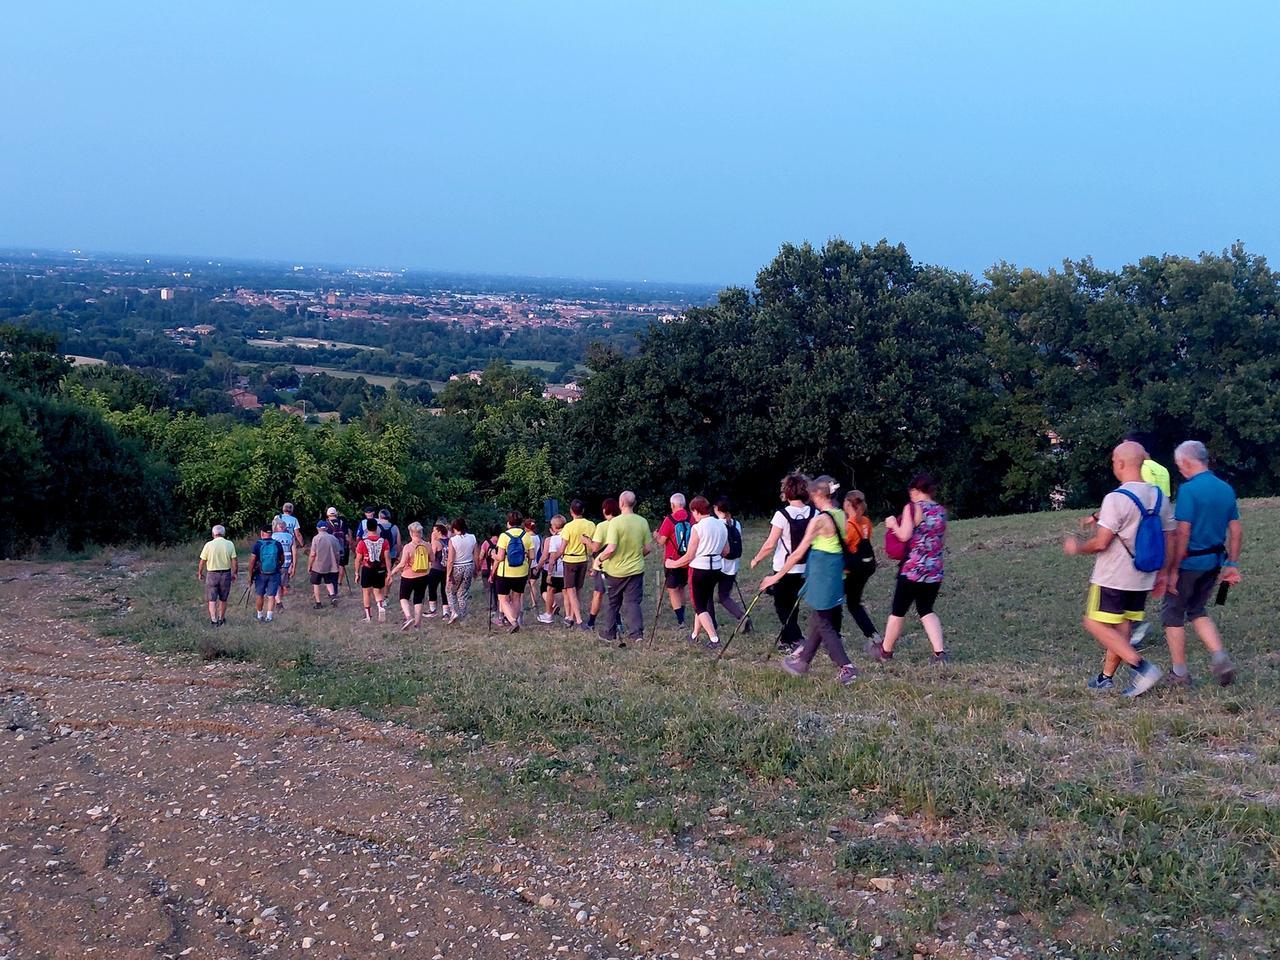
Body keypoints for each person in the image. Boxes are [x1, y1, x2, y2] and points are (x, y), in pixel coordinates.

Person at [1061, 442, 1173, 696]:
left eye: (1113, 460)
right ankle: (1105, 678)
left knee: (1093, 623)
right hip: (1143, 576)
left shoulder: (1116, 498)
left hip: (1113, 576)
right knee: (1122, 626)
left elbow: (1101, 543)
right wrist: (1164, 573)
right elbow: (1169, 537)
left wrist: (1076, 547)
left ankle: (1141, 668)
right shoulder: (1158, 496)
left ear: (1120, 463)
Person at [760, 476, 858, 685]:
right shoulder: (839, 514)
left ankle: (847, 667)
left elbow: (796, 554)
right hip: (834, 572)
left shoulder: (819, 520)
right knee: (818, 619)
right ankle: (803, 662)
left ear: (817, 494)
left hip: (823, 574)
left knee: (823, 623)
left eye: (812, 494)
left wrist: (775, 577)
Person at [1159, 440, 1242, 686]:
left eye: (1178, 464)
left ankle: (1180, 674)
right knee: (1197, 610)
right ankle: (1220, 657)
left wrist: (1173, 569)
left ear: (1186, 462)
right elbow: (1236, 531)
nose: (1179, 469)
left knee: (1172, 614)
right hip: (1214, 561)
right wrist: (1232, 564)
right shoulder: (1225, 488)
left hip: (1190, 563)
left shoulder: (1189, 490)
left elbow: (1182, 532)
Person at [868, 473, 950, 665]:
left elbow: (904, 535)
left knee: (898, 611)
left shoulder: (913, 508)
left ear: (916, 490)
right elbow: (942, 541)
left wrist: (892, 524)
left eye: (911, 492)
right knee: (926, 609)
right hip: (934, 570)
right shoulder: (941, 511)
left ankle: (885, 651)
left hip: (913, 570)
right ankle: (940, 653)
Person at [750, 473, 815, 652]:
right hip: (805, 567)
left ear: (787, 492)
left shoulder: (782, 515)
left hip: (784, 568)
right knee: (793, 603)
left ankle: (797, 639)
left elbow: (770, 544)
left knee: (781, 606)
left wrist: (756, 559)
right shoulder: (814, 512)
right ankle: (786, 641)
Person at [665, 495, 729, 649]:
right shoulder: (721, 525)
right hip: (716, 569)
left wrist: (672, 563)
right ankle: (694, 635)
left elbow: (689, 556)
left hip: (699, 569)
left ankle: (714, 640)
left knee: (699, 606)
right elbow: (726, 551)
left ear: (695, 510)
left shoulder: (698, 527)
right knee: (703, 600)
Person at [596, 491, 652, 646]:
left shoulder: (615, 522)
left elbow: (611, 548)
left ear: (621, 504)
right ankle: (636, 634)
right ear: (634, 504)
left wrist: (599, 559)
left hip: (616, 570)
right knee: (633, 602)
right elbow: (648, 547)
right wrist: (637, 556)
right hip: (636, 569)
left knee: (613, 602)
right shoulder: (642, 522)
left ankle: (610, 632)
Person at [840, 489, 881, 645]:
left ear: (848, 504)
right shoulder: (866, 522)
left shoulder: (848, 526)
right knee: (854, 604)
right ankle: (873, 635)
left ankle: (834, 634)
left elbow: (843, 547)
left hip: (849, 571)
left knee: (835, 601)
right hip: (864, 569)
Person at [655, 493, 692, 628]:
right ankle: (683, 614)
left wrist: (656, 535)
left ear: (672, 505)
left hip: (672, 560)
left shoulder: (669, 519)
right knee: (682, 587)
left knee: (672, 589)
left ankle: (680, 619)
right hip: (688, 559)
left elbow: (661, 541)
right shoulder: (692, 517)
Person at [494, 510, 535, 633]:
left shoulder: (504, 536)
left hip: (505, 572)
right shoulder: (526, 536)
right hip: (521, 571)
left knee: (503, 598)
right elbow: (532, 556)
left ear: (508, 523)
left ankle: (512, 621)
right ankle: (515, 619)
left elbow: (500, 557)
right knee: (516, 597)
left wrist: (493, 555)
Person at [713, 497, 749, 628]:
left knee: (707, 596)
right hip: (733, 566)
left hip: (718, 565)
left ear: (717, 509)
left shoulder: (717, 524)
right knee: (724, 596)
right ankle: (741, 616)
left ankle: (711, 623)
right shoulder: (736, 524)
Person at [559, 500, 596, 629]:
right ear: (583, 511)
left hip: (570, 560)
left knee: (570, 589)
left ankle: (579, 620)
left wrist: (554, 557)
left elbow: (563, 547)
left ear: (571, 511)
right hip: (583, 559)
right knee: (578, 590)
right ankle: (571, 616)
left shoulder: (568, 527)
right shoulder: (590, 525)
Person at [392, 521, 431, 630]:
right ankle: (417, 625)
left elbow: (402, 564)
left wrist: (393, 571)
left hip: (408, 576)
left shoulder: (408, 547)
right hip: (423, 575)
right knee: (418, 599)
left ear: (411, 533)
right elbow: (432, 559)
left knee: (403, 597)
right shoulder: (427, 545)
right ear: (421, 532)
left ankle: (408, 617)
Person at [197, 524, 237, 626]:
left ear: (213, 534)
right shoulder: (229, 544)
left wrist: (200, 572)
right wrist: (235, 572)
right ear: (223, 533)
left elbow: (202, 561)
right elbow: (234, 560)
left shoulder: (208, 545)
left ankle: (214, 620)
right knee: (223, 598)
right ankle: (222, 619)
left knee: (212, 598)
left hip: (212, 574)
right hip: (225, 574)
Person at [587, 499, 617, 631]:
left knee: (599, 592)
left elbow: (595, 547)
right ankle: (618, 620)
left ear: (605, 511)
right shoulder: (621, 523)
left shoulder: (602, 526)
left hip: (603, 563)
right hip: (619, 563)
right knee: (616, 594)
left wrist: (586, 541)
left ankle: (591, 622)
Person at [445, 517, 480, 623]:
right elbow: (476, 556)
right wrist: (476, 569)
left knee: (450, 591)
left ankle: (453, 612)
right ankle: (463, 615)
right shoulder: (472, 537)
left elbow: (450, 559)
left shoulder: (453, 540)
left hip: (457, 567)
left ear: (454, 527)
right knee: (463, 593)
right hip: (469, 566)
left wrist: (448, 574)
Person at [355, 518, 389, 622]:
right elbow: (387, 558)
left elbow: (358, 559)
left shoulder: (362, 543)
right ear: (377, 527)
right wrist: (389, 571)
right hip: (380, 569)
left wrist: (357, 572)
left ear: (367, 528)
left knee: (366, 592)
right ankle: (380, 607)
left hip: (367, 569)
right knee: (378, 591)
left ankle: (368, 616)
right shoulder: (384, 541)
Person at [249, 523, 285, 623]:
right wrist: (278, 566)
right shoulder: (277, 544)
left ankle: (260, 615)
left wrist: (250, 574)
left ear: (262, 533)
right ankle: (269, 617)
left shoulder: (258, 544)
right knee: (271, 596)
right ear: (271, 533)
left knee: (259, 594)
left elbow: (252, 561)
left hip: (260, 574)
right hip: (274, 573)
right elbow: (282, 558)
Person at [538, 515, 566, 624]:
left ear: (553, 527)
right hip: (567, 567)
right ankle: (569, 616)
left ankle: (549, 613)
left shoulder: (553, 539)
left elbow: (551, 557)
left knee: (549, 589)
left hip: (556, 569)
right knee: (566, 592)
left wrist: (549, 573)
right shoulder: (569, 536)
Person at [308, 520, 342, 608]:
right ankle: (333, 596)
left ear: (317, 528)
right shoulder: (333, 538)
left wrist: (310, 565)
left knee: (316, 584)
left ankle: (318, 603)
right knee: (329, 582)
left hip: (318, 566)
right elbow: (338, 553)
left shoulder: (316, 538)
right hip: (330, 565)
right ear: (327, 528)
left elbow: (312, 554)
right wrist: (337, 563)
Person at [271, 518, 299, 610]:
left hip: (275, 565)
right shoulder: (290, 536)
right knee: (282, 585)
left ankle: (278, 602)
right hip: (287, 565)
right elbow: (294, 552)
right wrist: (293, 566)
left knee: (276, 585)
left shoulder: (273, 536)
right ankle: (279, 602)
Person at [324, 507, 351, 591]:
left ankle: (332, 582)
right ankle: (339, 582)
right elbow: (347, 536)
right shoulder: (342, 522)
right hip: (343, 548)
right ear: (336, 514)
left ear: (328, 515)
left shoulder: (326, 524)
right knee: (341, 565)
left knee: (331, 565)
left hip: (331, 548)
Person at [425, 523, 449, 618]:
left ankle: (432, 610)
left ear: (439, 531)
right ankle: (446, 612)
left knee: (432, 588)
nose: (433, 532)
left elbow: (431, 556)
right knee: (444, 590)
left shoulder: (436, 542)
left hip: (436, 568)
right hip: (446, 569)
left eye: (434, 530)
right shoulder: (449, 541)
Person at [523, 518, 543, 616]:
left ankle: (521, 604)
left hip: (527, 563)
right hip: (536, 564)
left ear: (526, 527)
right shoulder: (538, 537)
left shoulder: (525, 537)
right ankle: (534, 603)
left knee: (523, 585)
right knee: (533, 584)